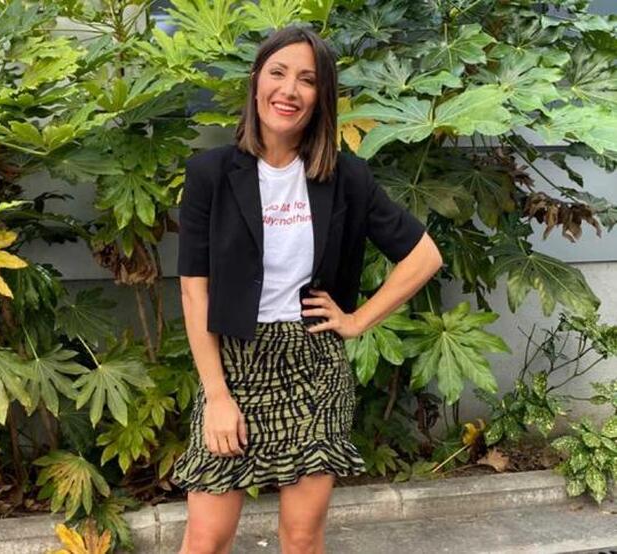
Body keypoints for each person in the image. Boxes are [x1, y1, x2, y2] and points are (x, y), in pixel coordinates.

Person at [171, 25, 443, 554]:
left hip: (312, 366)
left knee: (301, 538)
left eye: (307, 80)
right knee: (206, 539)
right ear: (256, 82)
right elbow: (193, 292)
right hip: (233, 363)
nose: (289, 90)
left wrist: (357, 321)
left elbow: (424, 256)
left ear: (321, 96)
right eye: (278, 73)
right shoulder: (210, 174)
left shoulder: (345, 177)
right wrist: (218, 396)